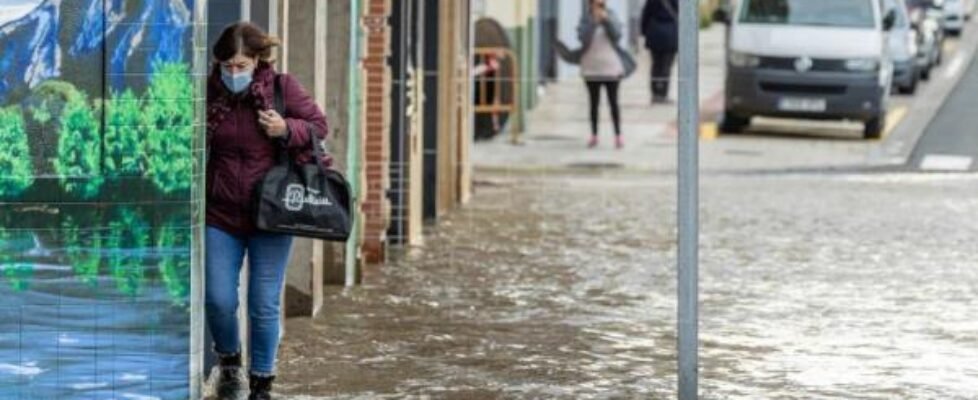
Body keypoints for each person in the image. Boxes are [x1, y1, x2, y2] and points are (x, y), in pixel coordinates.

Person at [205, 22, 328, 400]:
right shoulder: (209, 92)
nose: (233, 73)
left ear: (257, 60)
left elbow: (319, 126)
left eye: (241, 65)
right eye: (227, 66)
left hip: (271, 215)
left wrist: (285, 129)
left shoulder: (281, 88)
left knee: (263, 303)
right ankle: (229, 363)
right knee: (219, 299)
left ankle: (261, 383)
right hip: (220, 214)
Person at [556, 0, 636, 149]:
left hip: (611, 68)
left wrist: (606, 20)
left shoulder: (611, 15)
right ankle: (594, 135)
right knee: (594, 103)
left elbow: (617, 36)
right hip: (591, 68)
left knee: (613, 102)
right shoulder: (585, 19)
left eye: (602, 3)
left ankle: (618, 135)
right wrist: (593, 22)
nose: (599, 6)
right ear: (590, 4)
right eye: (596, 3)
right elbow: (583, 39)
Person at [642, 0, 680, 104]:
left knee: (656, 65)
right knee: (666, 66)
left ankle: (655, 93)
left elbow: (645, 15)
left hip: (655, 32)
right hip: (670, 34)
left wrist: (645, 32)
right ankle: (663, 94)